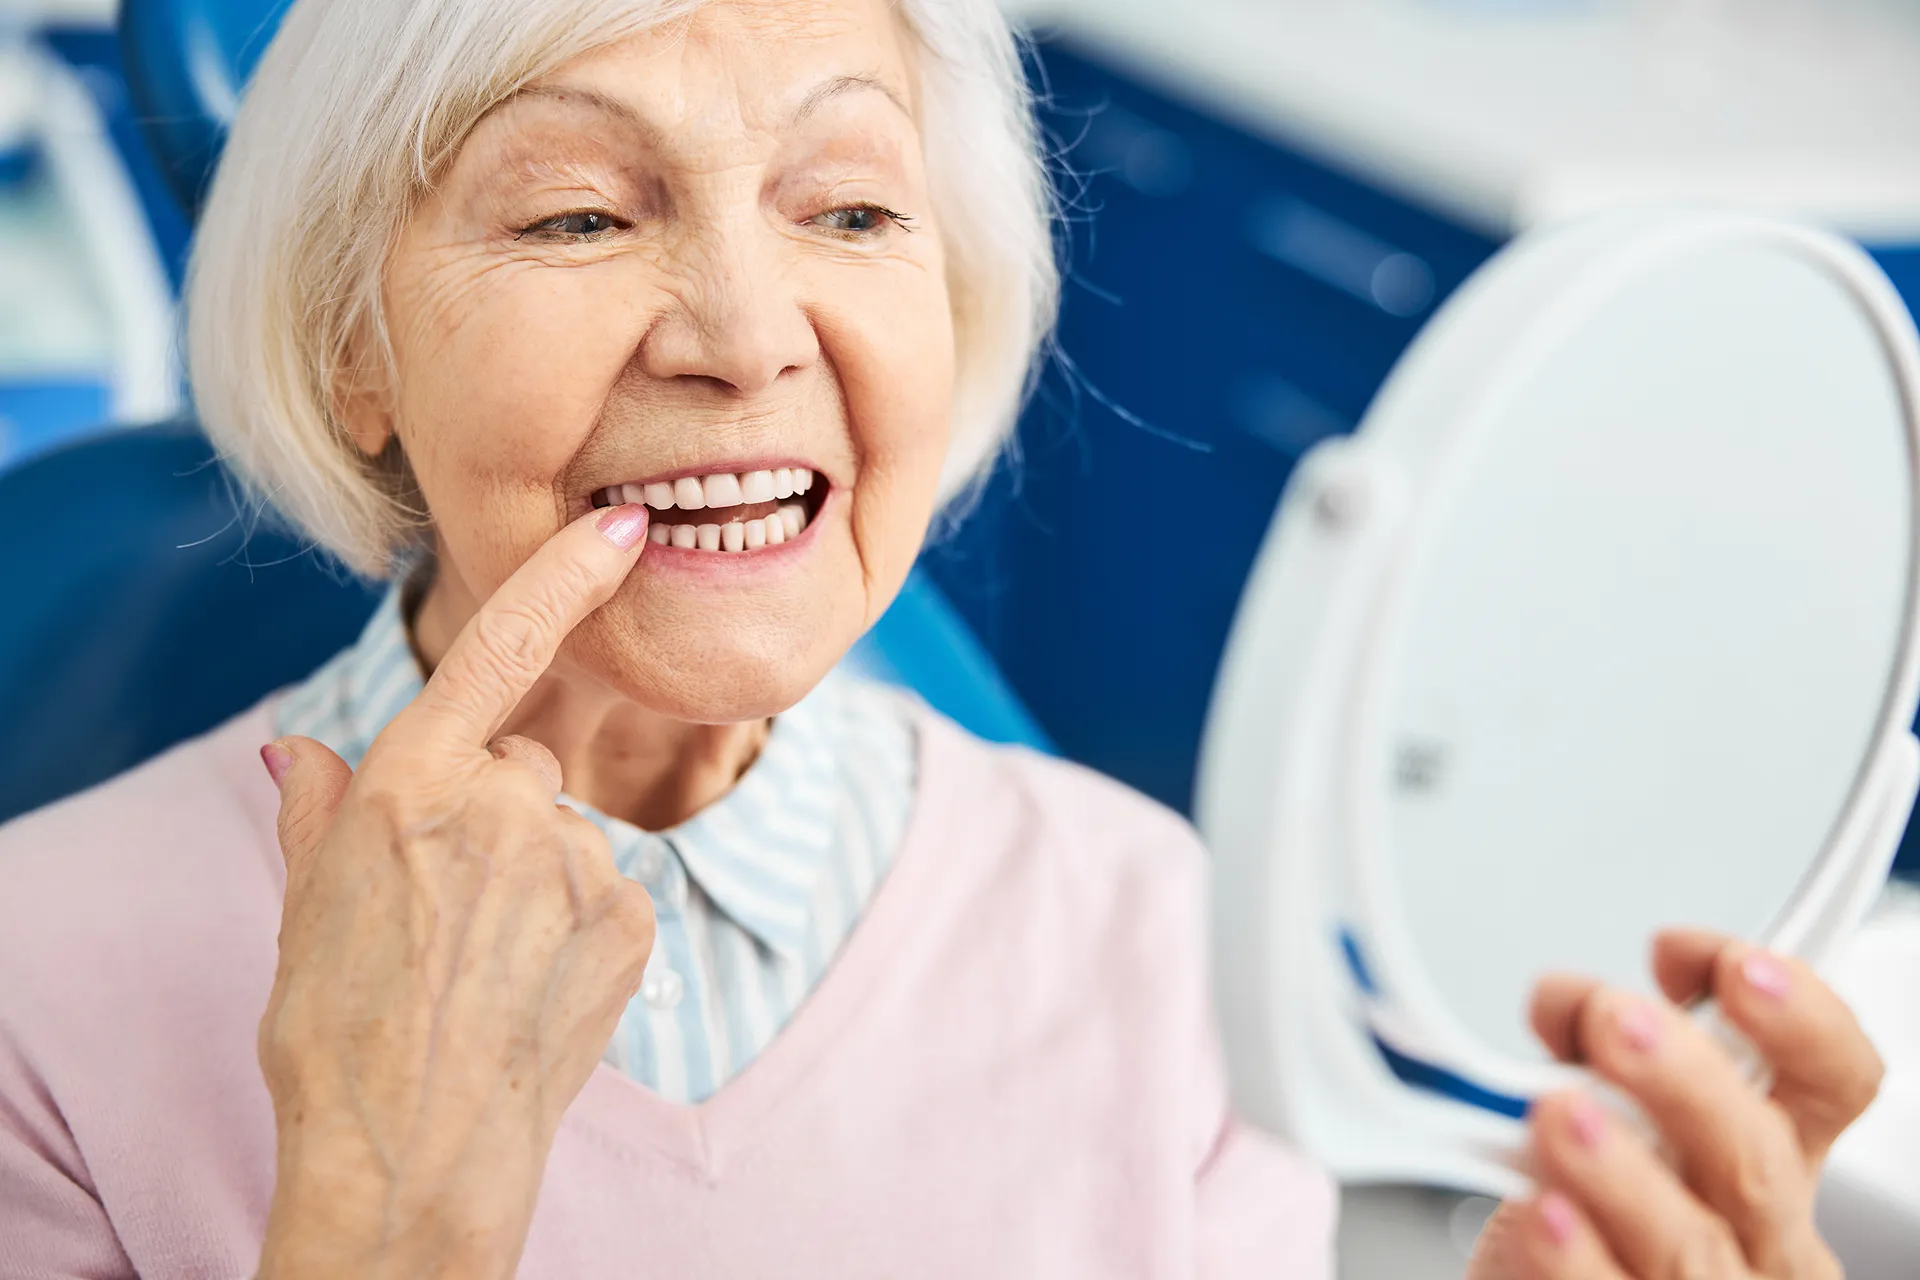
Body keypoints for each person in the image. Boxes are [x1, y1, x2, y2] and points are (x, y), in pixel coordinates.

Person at [0, 0, 1883, 1276]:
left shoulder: (1148, 930)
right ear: (355, 355)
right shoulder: (37, 999)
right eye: (579, 215)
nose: (745, 334)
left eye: (850, 206)